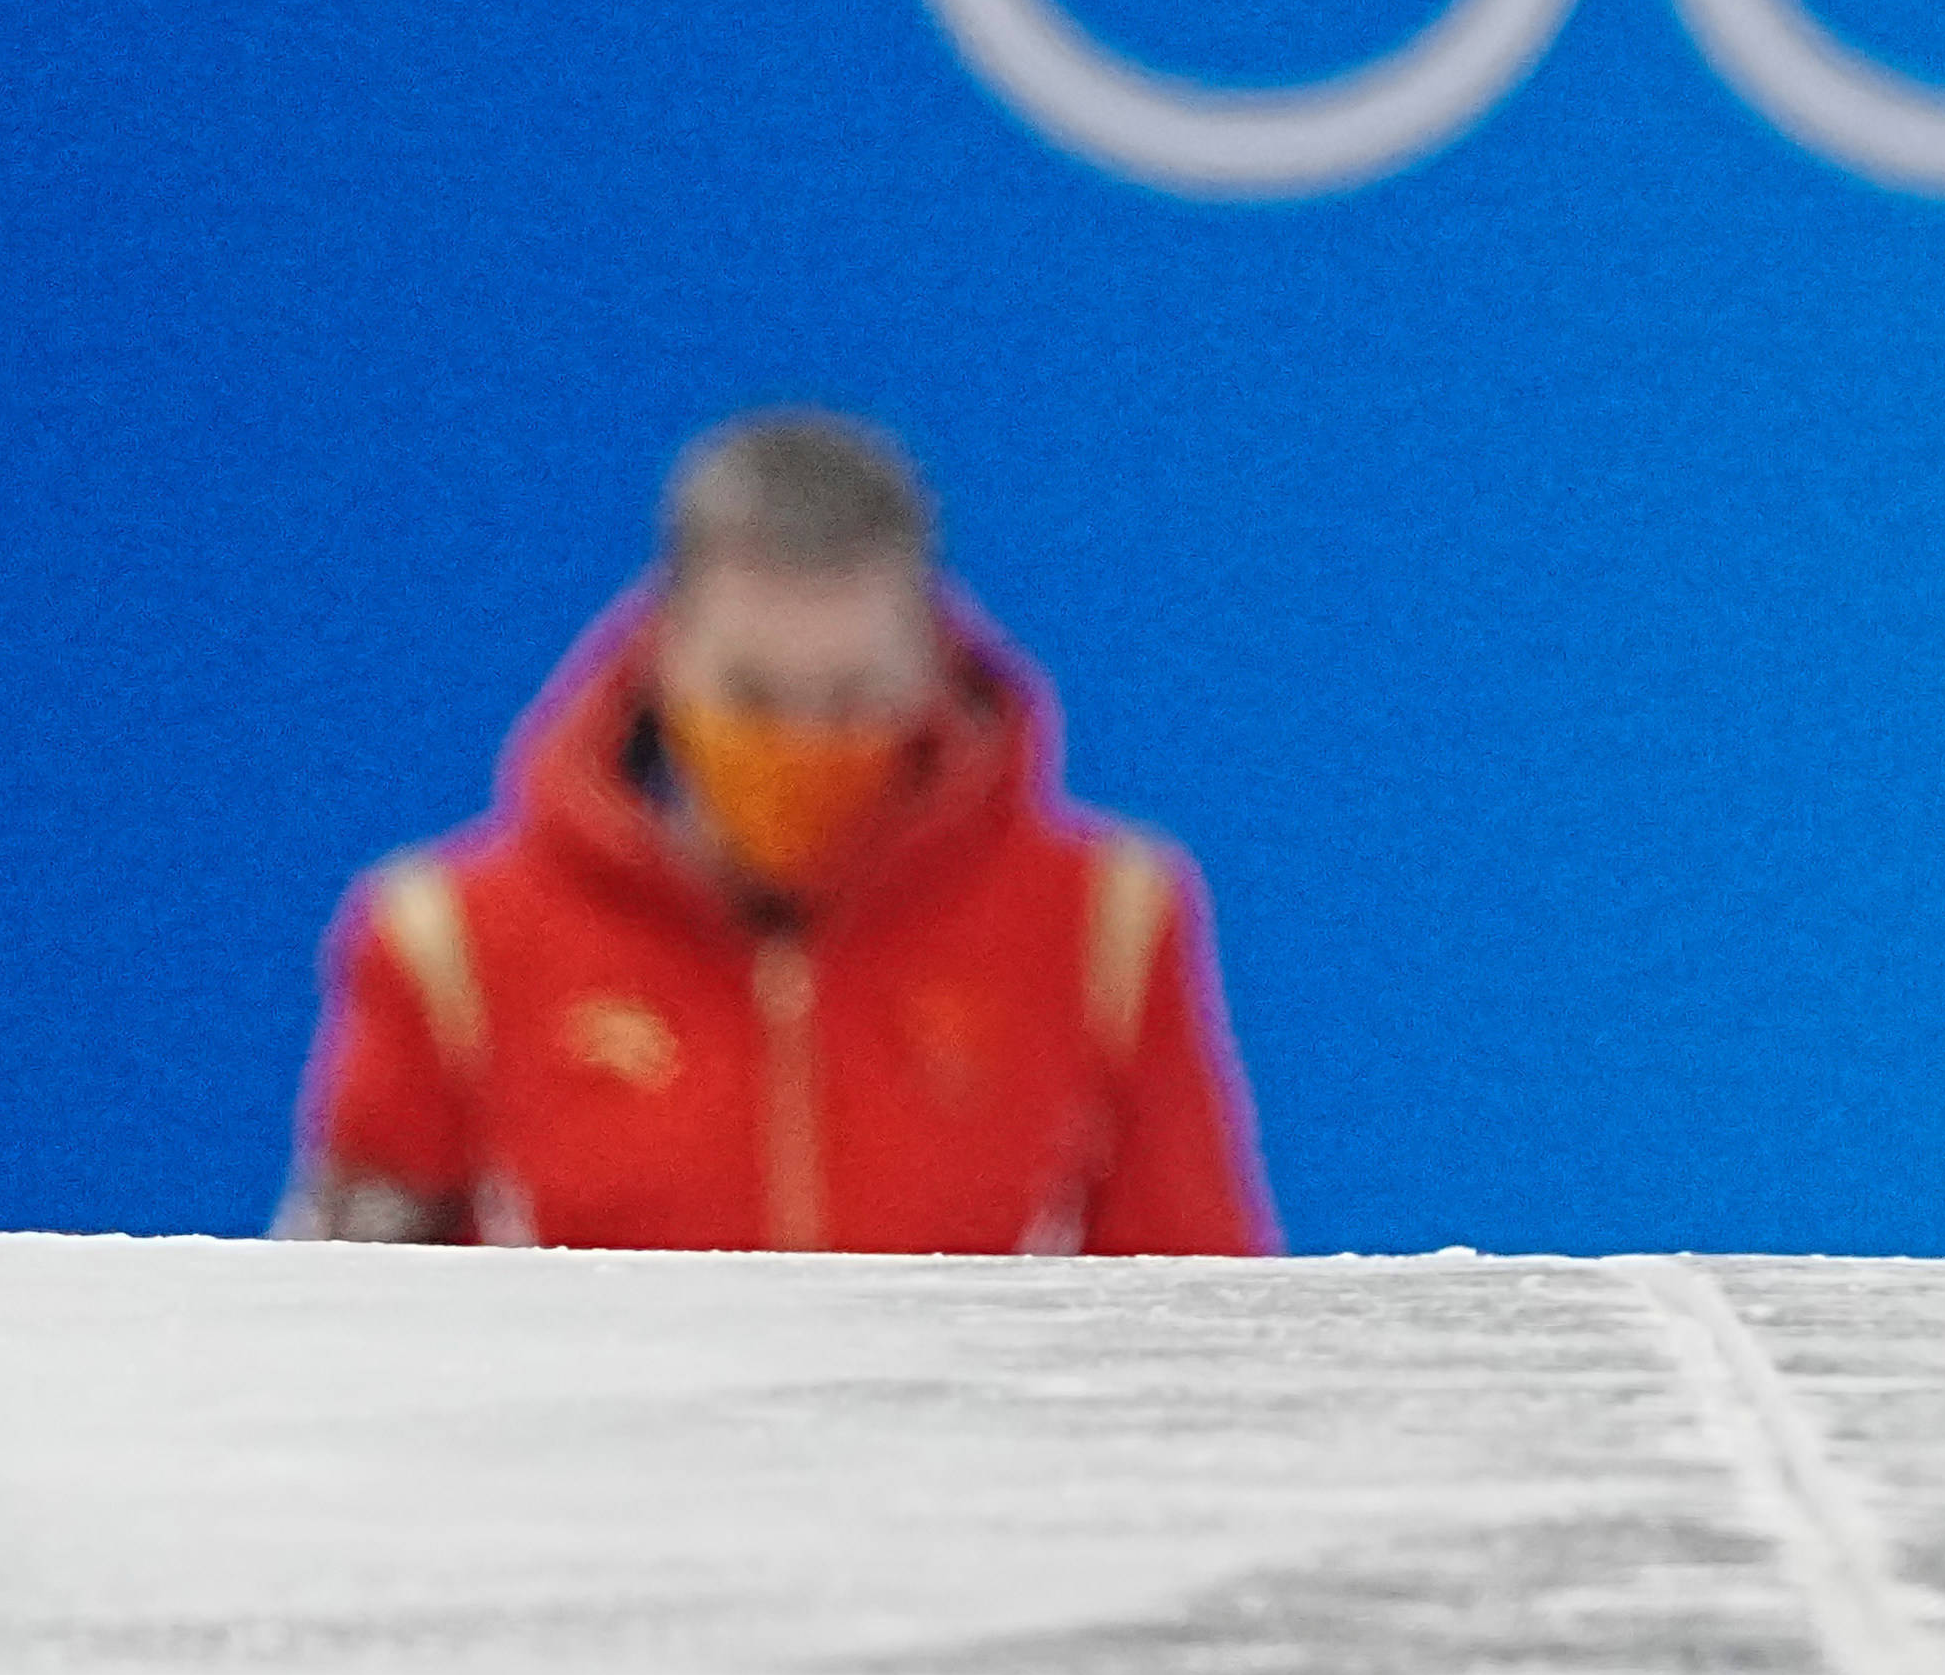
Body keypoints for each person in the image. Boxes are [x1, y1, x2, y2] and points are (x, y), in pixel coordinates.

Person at [282, 412, 1276, 1253]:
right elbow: (343, 1351)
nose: (802, 743)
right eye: (753, 698)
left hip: (975, 1480)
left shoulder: (1108, 922)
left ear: (933, 661)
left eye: (851, 699)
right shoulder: (446, 941)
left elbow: (1204, 1342)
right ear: (661, 649)